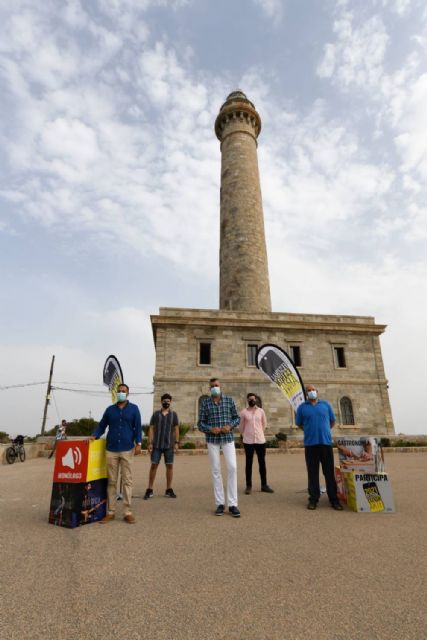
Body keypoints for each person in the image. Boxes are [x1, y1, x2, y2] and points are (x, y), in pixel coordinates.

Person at [92, 383, 142, 524]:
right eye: (119, 391)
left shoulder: (134, 409)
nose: (121, 393)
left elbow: (137, 427)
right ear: (116, 393)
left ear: (128, 393)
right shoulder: (110, 410)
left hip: (127, 449)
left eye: (123, 391)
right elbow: (102, 426)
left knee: (127, 480)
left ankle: (127, 512)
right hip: (111, 450)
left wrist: (139, 443)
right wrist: (94, 435)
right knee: (112, 481)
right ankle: (111, 512)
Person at [295, 384, 343, 511]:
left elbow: (332, 421)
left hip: (325, 443)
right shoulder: (301, 408)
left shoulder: (326, 405)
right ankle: (313, 499)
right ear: (306, 393)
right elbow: (299, 424)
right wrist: (310, 430)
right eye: (309, 390)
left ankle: (334, 500)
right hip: (310, 445)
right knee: (312, 473)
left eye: (313, 390)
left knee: (329, 473)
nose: (311, 392)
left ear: (317, 391)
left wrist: (324, 430)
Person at [198, 377, 241, 517]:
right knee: (216, 470)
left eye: (216, 385)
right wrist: (210, 429)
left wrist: (230, 426)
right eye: (212, 386)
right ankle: (220, 504)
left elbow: (237, 418)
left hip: (227, 438)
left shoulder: (229, 400)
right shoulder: (205, 403)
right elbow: (200, 423)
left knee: (232, 467)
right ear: (209, 388)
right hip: (212, 439)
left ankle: (233, 504)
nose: (215, 388)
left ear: (220, 386)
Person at [144, 393, 179, 500]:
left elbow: (176, 429)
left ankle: (168, 489)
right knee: (154, 465)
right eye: (164, 401)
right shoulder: (155, 415)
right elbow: (151, 428)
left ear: (170, 402)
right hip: (156, 445)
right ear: (161, 402)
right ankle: (149, 489)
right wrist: (149, 442)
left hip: (169, 445)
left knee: (169, 466)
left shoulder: (174, 415)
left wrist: (177, 443)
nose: (166, 403)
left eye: (168, 401)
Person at [239, 393, 273, 495]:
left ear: (256, 400)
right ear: (247, 400)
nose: (252, 401)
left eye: (253, 399)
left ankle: (264, 485)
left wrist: (259, 432)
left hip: (260, 440)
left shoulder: (261, 411)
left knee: (262, 463)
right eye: (250, 399)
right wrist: (246, 434)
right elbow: (241, 427)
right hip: (248, 440)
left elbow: (264, 424)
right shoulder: (244, 412)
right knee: (248, 463)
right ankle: (248, 486)